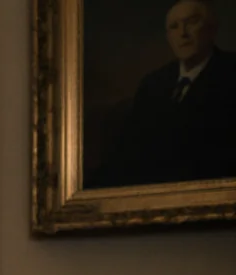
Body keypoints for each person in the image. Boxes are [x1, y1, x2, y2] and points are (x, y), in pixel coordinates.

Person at [98, 0, 236, 186]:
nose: (183, 33)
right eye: (174, 27)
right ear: (168, 37)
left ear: (212, 29)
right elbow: (130, 152)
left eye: (192, 22)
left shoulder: (231, 72)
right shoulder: (153, 84)